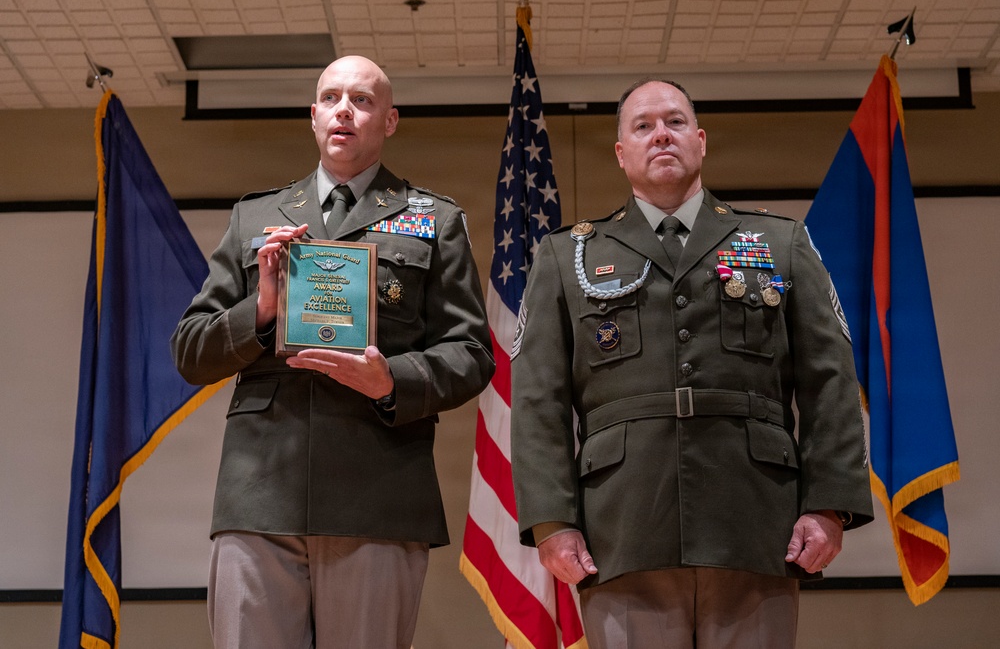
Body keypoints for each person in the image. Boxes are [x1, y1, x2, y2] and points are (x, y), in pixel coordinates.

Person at [509, 78, 874, 648]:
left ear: (700, 141)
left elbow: (830, 381)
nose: (661, 135)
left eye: (675, 122)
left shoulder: (778, 243)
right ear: (621, 153)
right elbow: (538, 402)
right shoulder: (567, 256)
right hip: (623, 527)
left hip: (756, 523)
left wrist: (829, 505)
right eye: (643, 126)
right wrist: (553, 523)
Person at [171, 55, 495, 649]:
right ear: (314, 115)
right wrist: (261, 310)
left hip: (378, 492)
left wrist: (392, 380)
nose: (344, 109)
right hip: (261, 491)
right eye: (331, 98)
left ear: (390, 120)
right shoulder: (256, 217)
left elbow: (472, 352)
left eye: (363, 100)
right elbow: (191, 351)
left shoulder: (435, 219)